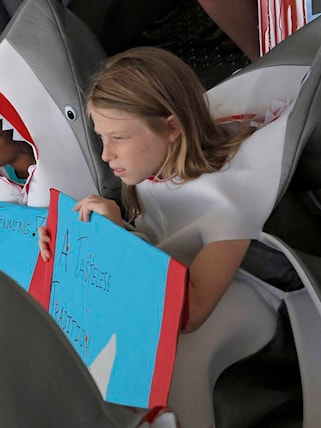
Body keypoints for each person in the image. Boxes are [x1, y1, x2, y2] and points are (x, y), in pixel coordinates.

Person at [38, 47, 270, 334]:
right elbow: (158, 239)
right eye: (101, 137)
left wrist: (117, 238)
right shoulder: (153, 164)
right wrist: (73, 239)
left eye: (119, 138)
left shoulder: (230, 202)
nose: (105, 154)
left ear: (172, 128)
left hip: (241, 314)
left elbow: (190, 313)